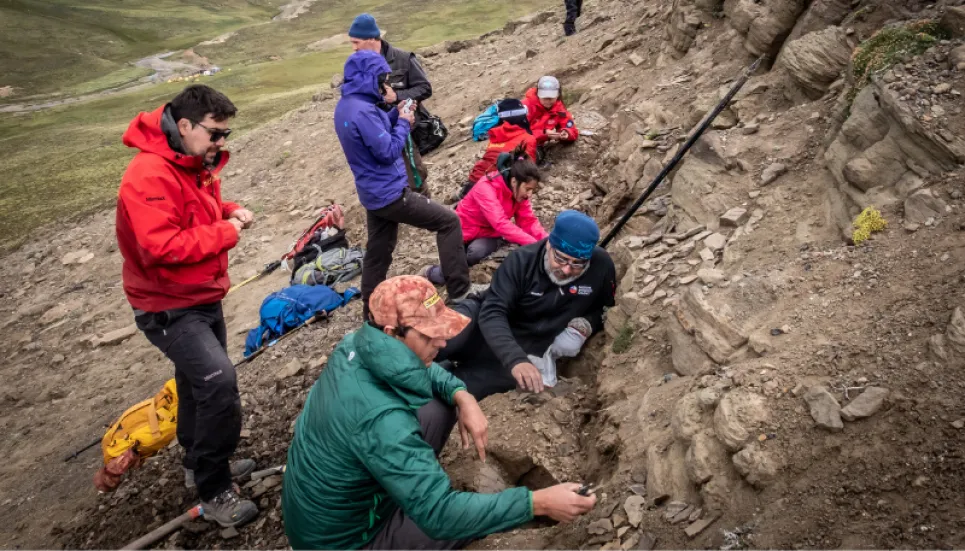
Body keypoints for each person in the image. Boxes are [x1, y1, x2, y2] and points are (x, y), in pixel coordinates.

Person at [282, 276, 597, 550]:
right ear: (393, 333)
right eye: (429, 334)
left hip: (326, 510)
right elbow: (440, 516)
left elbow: (424, 371)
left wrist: (463, 396)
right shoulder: (383, 421)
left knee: (437, 406)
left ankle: (411, 483)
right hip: (347, 541)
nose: (444, 341)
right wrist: (536, 503)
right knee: (450, 523)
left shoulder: (358, 342)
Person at [114, 84, 258, 527]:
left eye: (225, 135)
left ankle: (198, 465)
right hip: (167, 306)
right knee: (218, 383)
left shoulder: (189, 160)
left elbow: (193, 210)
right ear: (184, 125)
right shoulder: (147, 175)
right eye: (215, 134)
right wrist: (228, 232)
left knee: (198, 383)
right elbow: (162, 245)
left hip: (200, 294)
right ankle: (214, 492)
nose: (220, 144)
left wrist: (228, 207)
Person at [334, 50, 471, 318]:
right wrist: (405, 123)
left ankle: (370, 313)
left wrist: (394, 114)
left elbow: (373, 131)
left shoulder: (349, 106)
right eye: (382, 79)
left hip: (372, 193)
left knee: (378, 251)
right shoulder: (363, 111)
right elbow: (387, 151)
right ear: (368, 78)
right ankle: (460, 292)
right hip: (390, 193)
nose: (386, 86)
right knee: (448, 222)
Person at [437, 210, 616, 401]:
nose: (566, 269)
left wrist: (585, 325)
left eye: (577, 264)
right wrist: (515, 359)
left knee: (454, 391)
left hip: (527, 343)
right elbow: (493, 311)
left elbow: (605, 308)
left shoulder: (601, 266)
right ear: (549, 244)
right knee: (440, 335)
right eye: (561, 259)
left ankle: (435, 380)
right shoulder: (523, 261)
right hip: (481, 322)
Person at [424, 145, 547, 285]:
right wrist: (535, 245)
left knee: (477, 251)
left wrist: (547, 242)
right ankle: (431, 272)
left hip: (487, 234)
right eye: (528, 189)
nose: (530, 194)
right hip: (462, 234)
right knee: (447, 275)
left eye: (532, 190)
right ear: (514, 181)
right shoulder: (486, 187)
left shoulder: (518, 193)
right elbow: (500, 222)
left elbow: (528, 221)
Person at [349, 13, 432, 196]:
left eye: (356, 42)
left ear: (371, 38)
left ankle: (428, 214)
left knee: (415, 175)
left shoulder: (403, 59)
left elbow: (425, 88)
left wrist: (397, 97)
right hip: (375, 132)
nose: (353, 48)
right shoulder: (358, 64)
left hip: (403, 130)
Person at [453, 98, 538, 202]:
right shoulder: (528, 139)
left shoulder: (495, 135)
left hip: (475, 179)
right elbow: (529, 169)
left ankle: (462, 196)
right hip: (496, 186)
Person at [522, 76, 579, 152]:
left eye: (551, 97)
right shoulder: (526, 107)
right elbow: (516, 133)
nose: (548, 100)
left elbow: (572, 129)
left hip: (536, 147)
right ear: (538, 93)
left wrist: (566, 133)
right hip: (519, 145)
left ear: (558, 95)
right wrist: (543, 133)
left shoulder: (559, 109)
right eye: (544, 97)